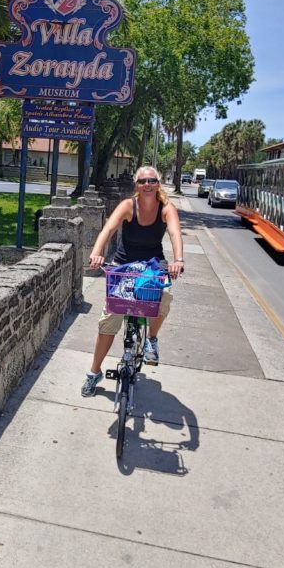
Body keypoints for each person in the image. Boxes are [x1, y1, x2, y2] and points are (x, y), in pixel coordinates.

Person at [81, 166, 184, 397]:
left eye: (152, 180)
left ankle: (152, 340)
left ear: (158, 184)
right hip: (124, 266)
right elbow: (108, 229)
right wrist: (97, 252)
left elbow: (175, 233)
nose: (147, 184)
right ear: (136, 185)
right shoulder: (128, 206)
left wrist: (178, 260)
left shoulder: (166, 209)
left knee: (163, 297)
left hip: (153, 267)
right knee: (109, 319)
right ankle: (94, 372)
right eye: (143, 181)